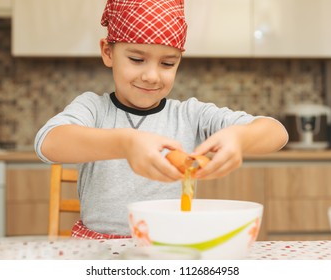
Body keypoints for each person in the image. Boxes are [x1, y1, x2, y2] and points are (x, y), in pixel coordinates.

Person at [34, 0, 288, 239]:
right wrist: (126, 143)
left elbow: (276, 133)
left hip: (169, 246)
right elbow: (48, 142)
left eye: (167, 63)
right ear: (108, 52)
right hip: (99, 251)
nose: (152, 76)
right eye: (136, 59)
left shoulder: (189, 115)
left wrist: (240, 138)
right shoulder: (94, 109)